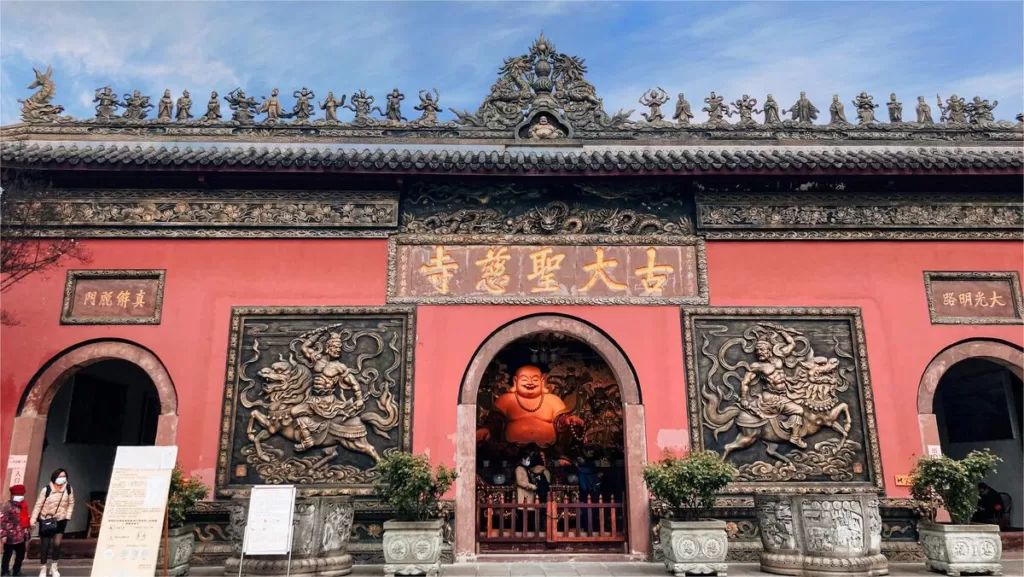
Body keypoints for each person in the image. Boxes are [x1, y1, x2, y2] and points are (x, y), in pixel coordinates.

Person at [30, 469, 74, 577]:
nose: (62, 479)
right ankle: (43, 568)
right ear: (54, 477)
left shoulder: (68, 489)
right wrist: (33, 521)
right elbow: (38, 505)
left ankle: (54, 567)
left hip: (61, 521)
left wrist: (67, 516)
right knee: (45, 545)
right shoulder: (47, 489)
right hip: (46, 520)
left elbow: (71, 503)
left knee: (57, 545)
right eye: (59, 476)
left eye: (64, 476)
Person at [1, 485, 31, 576]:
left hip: (21, 535)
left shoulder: (24, 505)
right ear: (12, 495)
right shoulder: (7, 506)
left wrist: (28, 529)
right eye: (17, 494)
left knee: (21, 555)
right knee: (7, 555)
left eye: (21, 494)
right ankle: (5, 571)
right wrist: (3, 535)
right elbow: (2, 521)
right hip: (10, 535)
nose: (20, 496)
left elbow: (26, 518)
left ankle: (16, 570)